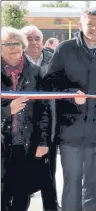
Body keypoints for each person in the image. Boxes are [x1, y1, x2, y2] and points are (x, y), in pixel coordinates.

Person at [40, 8, 96, 211]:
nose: (94, 28)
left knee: (94, 181)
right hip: (70, 126)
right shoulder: (65, 49)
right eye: (90, 23)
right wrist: (71, 92)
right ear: (80, 25)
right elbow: (49, 82)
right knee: (72, 180)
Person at [1, 26, 51, 211]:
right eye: (7, 44)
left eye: (17, 43)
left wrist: (44, 141)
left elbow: (44, 109)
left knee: (23, 192)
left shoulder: (36, 72)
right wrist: (7, 111)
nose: (13, 48)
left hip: (27, 142)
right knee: (2, 192)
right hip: (2, 142)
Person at [20, 25, 60, 211]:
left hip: (51, 123)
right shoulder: (17, 61)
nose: (34, 42)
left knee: (49, 170)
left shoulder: (54, 58)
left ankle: (51, 206)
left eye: (37, 38)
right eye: (29, 38)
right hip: (23, 125)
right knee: (23, 171)